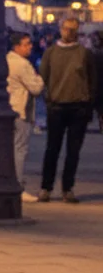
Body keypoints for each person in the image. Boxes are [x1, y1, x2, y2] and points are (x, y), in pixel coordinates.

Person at [38, 18, 96, 203]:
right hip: (56, 106)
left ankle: (67, 188)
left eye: (74, 30)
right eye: (67, 29)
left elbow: (92, 80)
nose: (70, 33)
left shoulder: (84, 54)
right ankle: (46, 187)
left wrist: (87, 103)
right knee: (52, 149)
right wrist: (48, 99)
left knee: (73, 151)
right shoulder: (51, 53)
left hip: (77, 107)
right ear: (60, 30)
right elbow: (42, 79)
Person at [7, 32, 45, 203]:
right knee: (19, 149)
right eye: (26, 44)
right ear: (17, 46)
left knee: (10, 149)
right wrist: (40, 78)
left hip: (8, 108)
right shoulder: (23, 65)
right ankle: (17, 185)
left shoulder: (6, 60)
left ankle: (9, 182)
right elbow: (36, 88)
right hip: (21, 109)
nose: (30, 46)